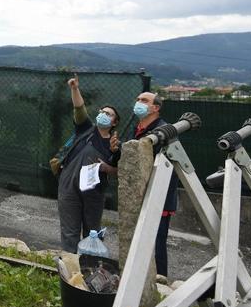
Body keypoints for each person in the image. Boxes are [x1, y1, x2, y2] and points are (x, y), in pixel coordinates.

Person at [52, 76, 120, 253]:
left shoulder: (115, 144)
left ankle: (90, 266)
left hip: (94, 192)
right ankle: (70, 267)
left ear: (115, 122)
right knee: (69, 231)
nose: (103, 115)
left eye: (109, 114)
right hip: (68, 185)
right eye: (102, 112)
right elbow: (79, 108)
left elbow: (120, 171)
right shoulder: (85, 129)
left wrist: (107, 166)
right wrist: (74, 89)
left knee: (92, 232)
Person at [130, 91, 178, 276]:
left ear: (156, 107)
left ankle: (159, 280)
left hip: (158, 195)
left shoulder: (164, 131)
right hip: (138, 194)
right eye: (138, 99)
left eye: (144, 100)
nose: (138, 102)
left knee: (156, 241)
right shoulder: (137, 128)